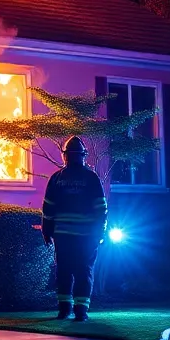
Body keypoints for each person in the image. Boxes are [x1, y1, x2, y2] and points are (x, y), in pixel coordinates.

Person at [42, 136, 108, 321]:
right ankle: (81, 312)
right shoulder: (91, 177)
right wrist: (100, 233)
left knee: (63, 271)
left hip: (63, 236)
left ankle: (64, 310)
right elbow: (101, 209)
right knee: (84, 271)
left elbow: (48, 208)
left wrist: (46, 231)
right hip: (87, 237)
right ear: (83, 155)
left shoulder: (56, 178)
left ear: (65, 156)